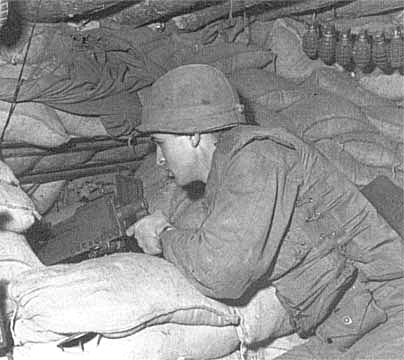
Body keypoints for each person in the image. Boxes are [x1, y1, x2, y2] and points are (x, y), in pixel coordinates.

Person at [126, 64, 404, 359]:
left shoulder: (255, 158)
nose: (159, 159)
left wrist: (164, 235)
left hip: (389, 318)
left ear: (192, 135)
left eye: (160, 144)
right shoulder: (230, 174)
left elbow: (221, 271)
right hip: (346, 331)